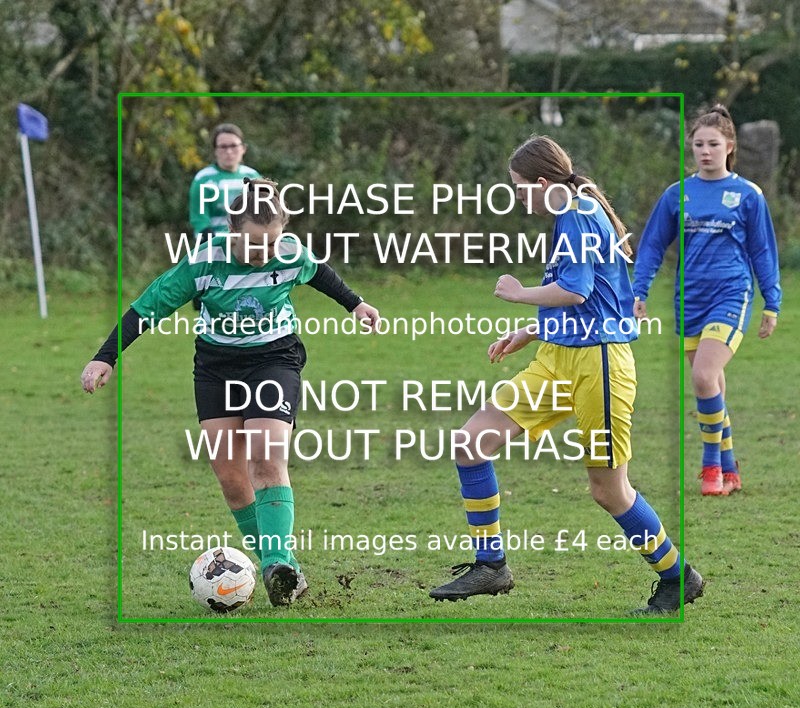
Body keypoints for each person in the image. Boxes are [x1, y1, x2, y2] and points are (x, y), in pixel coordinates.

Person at [428, 135, 703, 614]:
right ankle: (491, 566)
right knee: (471, 443)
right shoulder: (573, 212)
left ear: (541, 183)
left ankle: (678, 577)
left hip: (599, 365)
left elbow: (576, 290)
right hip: (559, 357)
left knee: (609, 490)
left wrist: (519, 294)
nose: (516, 197)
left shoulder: (577, 214)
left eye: (518, 187)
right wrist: (532, 331)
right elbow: (595, 297)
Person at [81, 178, 380, 607]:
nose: (266, 253)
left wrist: (356, 304)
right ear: (232, 231)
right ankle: (287, 569)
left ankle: (275, 565)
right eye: (256, 245)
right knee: (233, 481)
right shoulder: (204, 261)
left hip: (275, 359)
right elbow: (148, 307)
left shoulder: (288, 252)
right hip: (216, 368)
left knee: (266, 458)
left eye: (273, 242)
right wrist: (105, 357)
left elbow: (319, 273)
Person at [633, 105, 781, 496]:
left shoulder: (748, 195)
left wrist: (772, 303)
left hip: (732, 292)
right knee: (710, 384)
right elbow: (652, 245)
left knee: (702, 375)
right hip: (690, 299)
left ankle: (711, 466)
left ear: (729, 146)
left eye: (713, 144)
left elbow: (763, 252)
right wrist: (640, 290)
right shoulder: (677, 194)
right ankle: (731, 469)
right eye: (698, 144)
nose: (705, 151)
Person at [188, 123, 260, 311]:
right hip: (215, 244)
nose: (229, 152)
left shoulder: (252, 176)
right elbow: (199, 218)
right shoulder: (204, 178)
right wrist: (213, 246)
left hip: (247, 245)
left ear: (243, 148)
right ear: (215, 150)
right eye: (223, 147)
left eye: (233, 146)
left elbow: (262, 214)